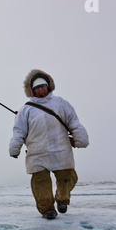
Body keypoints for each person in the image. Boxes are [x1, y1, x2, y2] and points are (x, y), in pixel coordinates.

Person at [9, 69, 89, 219]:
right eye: (37, 87)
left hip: (61, 151)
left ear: (49, 86)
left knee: (68, 177)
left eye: (43, 85)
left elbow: (73, 122)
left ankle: (62, 199)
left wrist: (80, 138)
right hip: (37, 153)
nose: (41, 89)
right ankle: (48, 210)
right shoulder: (25, 109)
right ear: (32, 90)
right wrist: (15, 149)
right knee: (40, 182)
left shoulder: (61, 103)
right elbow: (19, 131)